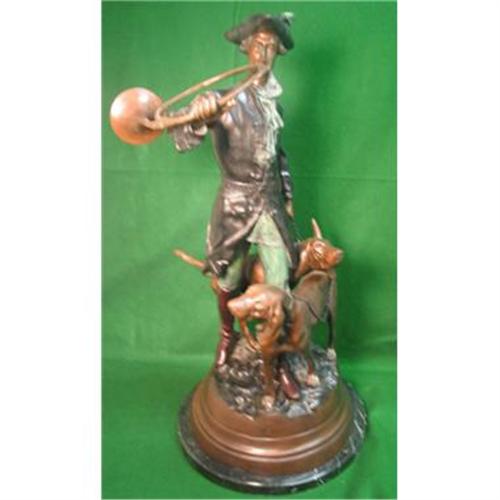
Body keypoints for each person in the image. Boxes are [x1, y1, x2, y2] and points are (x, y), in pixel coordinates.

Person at [169, 13, 300, 396]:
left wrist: (287, 195)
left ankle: (279, 359)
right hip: (235, 205)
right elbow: (181, 139)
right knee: (228, 277)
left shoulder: (275, 105)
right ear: (246, 48)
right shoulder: (224, 100)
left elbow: (279, 156)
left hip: (270, 206)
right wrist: (199, 116)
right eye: (258, 44)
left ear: (278, 52)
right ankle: (227, 336)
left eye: (272, 46)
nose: (264, 52)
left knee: (280, 282)